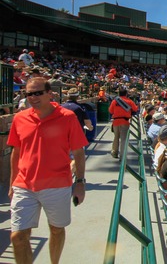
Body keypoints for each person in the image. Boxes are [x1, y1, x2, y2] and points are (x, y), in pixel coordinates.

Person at [8, 77, 88, 264]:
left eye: (38, 93)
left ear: (49, 94)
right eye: (29, 94)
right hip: (24, 185)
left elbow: (78, 152)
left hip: (57, 185)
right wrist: (12, 183)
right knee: (18, 237)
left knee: (56, 230)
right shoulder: (20, 118)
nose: (33, 97)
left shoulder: (67, 117)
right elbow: (16, 152)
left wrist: (80, 183)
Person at [109, 88, 138, 159]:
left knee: (116, 137)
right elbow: (135, 109)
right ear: (126, 94)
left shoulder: (115, 101)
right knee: (123, 139)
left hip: (116, 121)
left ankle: (114, 152)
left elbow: (110, 111)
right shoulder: (130, 101)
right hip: (125, 122)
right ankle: (122, 156)